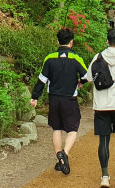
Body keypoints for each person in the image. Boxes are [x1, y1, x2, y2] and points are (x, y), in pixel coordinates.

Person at [31, 28, 89, 174]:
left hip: (54, 98)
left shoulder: (49, 58)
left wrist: (35, 97)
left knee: (56, 128)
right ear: (71, 42)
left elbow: (42, 80)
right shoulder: (76, 58)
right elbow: (87, 75)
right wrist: (81, 82)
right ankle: (65, 153)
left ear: (57, 41)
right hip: (70, 99)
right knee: (72, 129)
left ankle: (59, 159)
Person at [85, 28, 115, 188]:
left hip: (101, 104)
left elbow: (89, 78)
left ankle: (104, 176)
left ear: (107, 41)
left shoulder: (97, 57)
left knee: (104, 139)